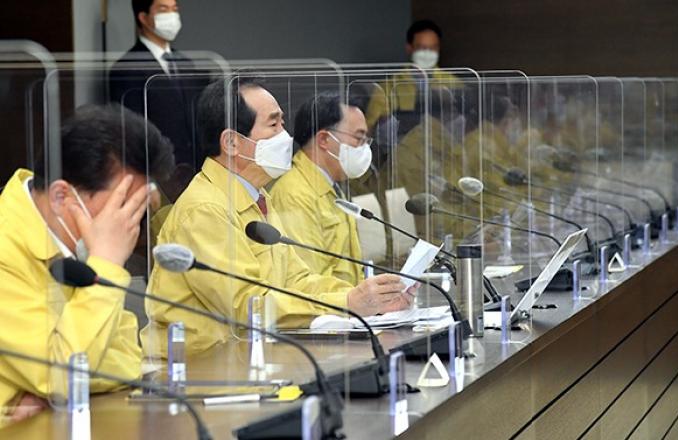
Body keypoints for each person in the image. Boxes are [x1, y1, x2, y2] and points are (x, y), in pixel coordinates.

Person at [142, 78, 414, 357]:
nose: (286, 136)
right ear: (232, 142)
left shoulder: (256, 196)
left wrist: (369, 298)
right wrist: (346, 302)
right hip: (200, 365)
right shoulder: (205, 209)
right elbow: (246, 306)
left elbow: (297, 280)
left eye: (283, 123)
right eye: (273, 125)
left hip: (249, 355)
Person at [0, 105, 174, 425]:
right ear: (61, 197)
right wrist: (106, 261)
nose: (128, 223)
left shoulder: (75, 242)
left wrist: (53, 387)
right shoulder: (5, 247)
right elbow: (63, 373)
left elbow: (128, 359)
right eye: (122, 205)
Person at [270, 92, 371, 285]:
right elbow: (308, 281)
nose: (364, 147)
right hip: (329, 303)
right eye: (359, 138)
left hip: (347, 299)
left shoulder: (330, 185)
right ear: (324, 139)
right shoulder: (295, 194)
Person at [109, 0, 202, 194]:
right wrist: (147, 180)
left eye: (174, 9)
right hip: (158, 176)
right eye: (163, 9)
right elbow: (130, 131)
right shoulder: (127, 67)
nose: (172, 15)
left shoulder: (186, 63)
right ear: (143, 17)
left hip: (194, 173)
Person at [363, 20, 462, 133]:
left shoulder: (453, 82)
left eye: (433, 48)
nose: (427, 53)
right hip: (402, 143)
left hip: (443, 142)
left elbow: (465, 125)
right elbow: (369, 128)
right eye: (422, 47)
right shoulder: (387, 87)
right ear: (409, 48)